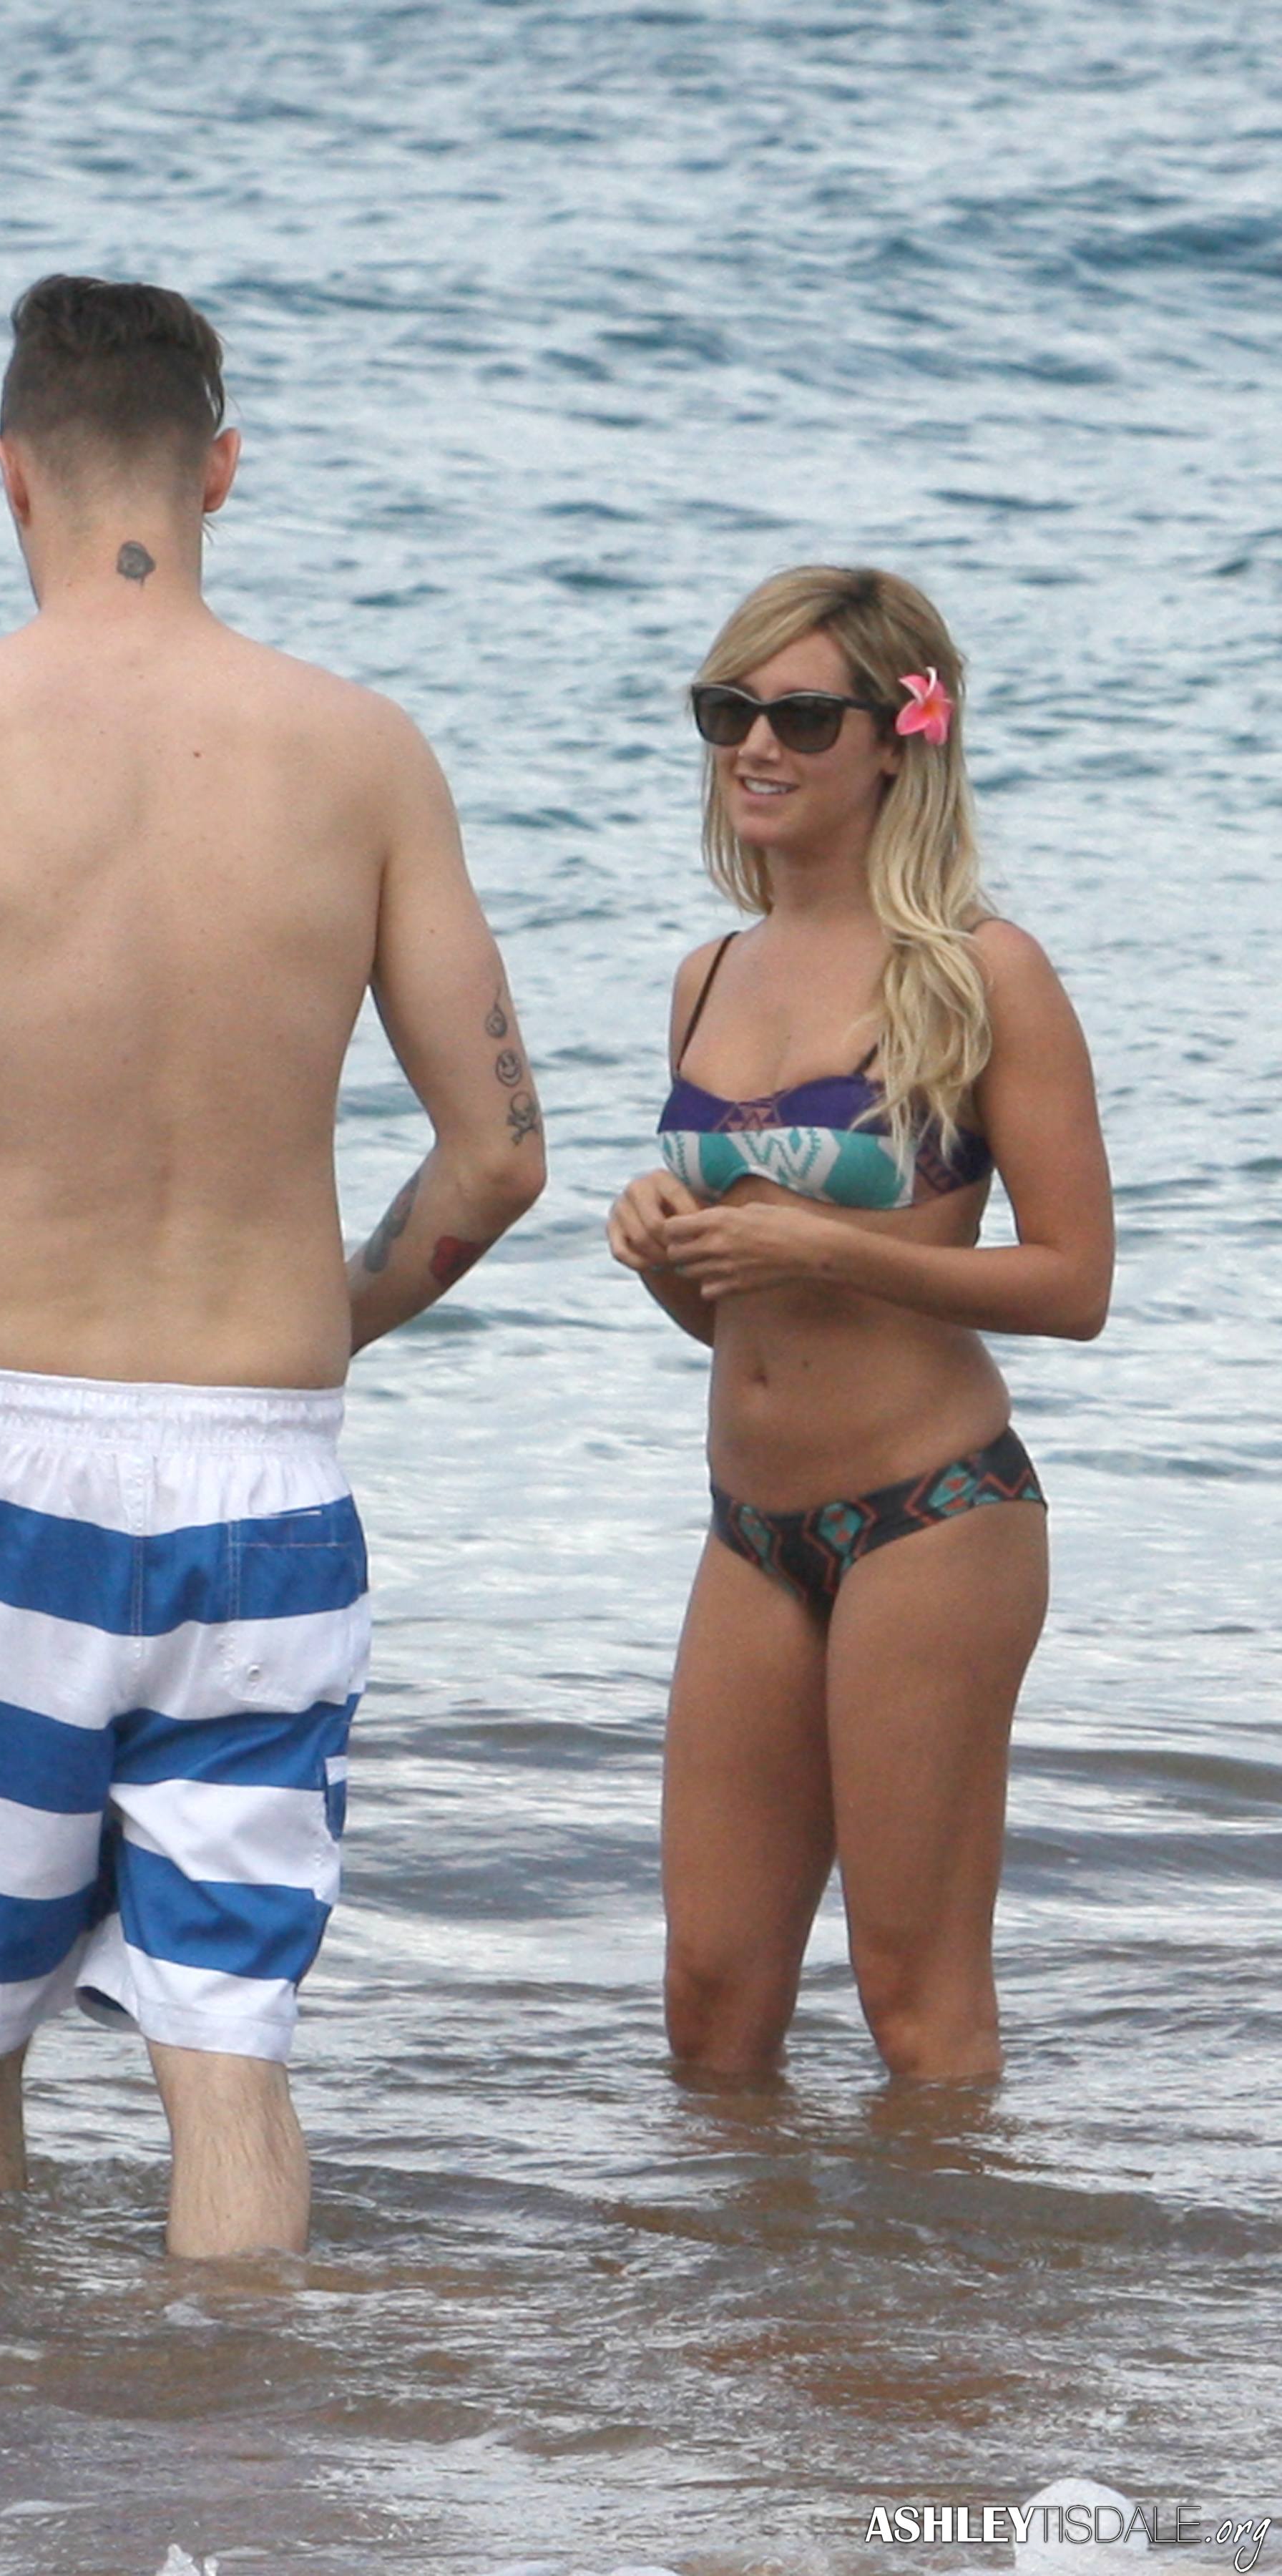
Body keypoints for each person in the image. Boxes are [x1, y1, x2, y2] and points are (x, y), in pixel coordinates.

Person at [0, 275, 545, 2253]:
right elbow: (500, 1157)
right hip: (264, 1477)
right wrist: (330, 1315)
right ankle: (243, 2425)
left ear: (9, 475)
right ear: (225, 471)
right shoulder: (365, 754)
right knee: (230, 2050)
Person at [607, 566, 1111, 2085]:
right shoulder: (708, 975)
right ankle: (746, 2249)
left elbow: (1075, 1283)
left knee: (915, 1999)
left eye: (803, 718)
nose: (756, 746)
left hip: (933, 1517)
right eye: (729, 712)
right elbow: (742, 1325)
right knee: (710, 2000)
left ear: (898, 740)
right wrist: (664, 1255)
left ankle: (952, 2249)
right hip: (751, 1528)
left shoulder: (979, 971)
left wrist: (836, 1246)